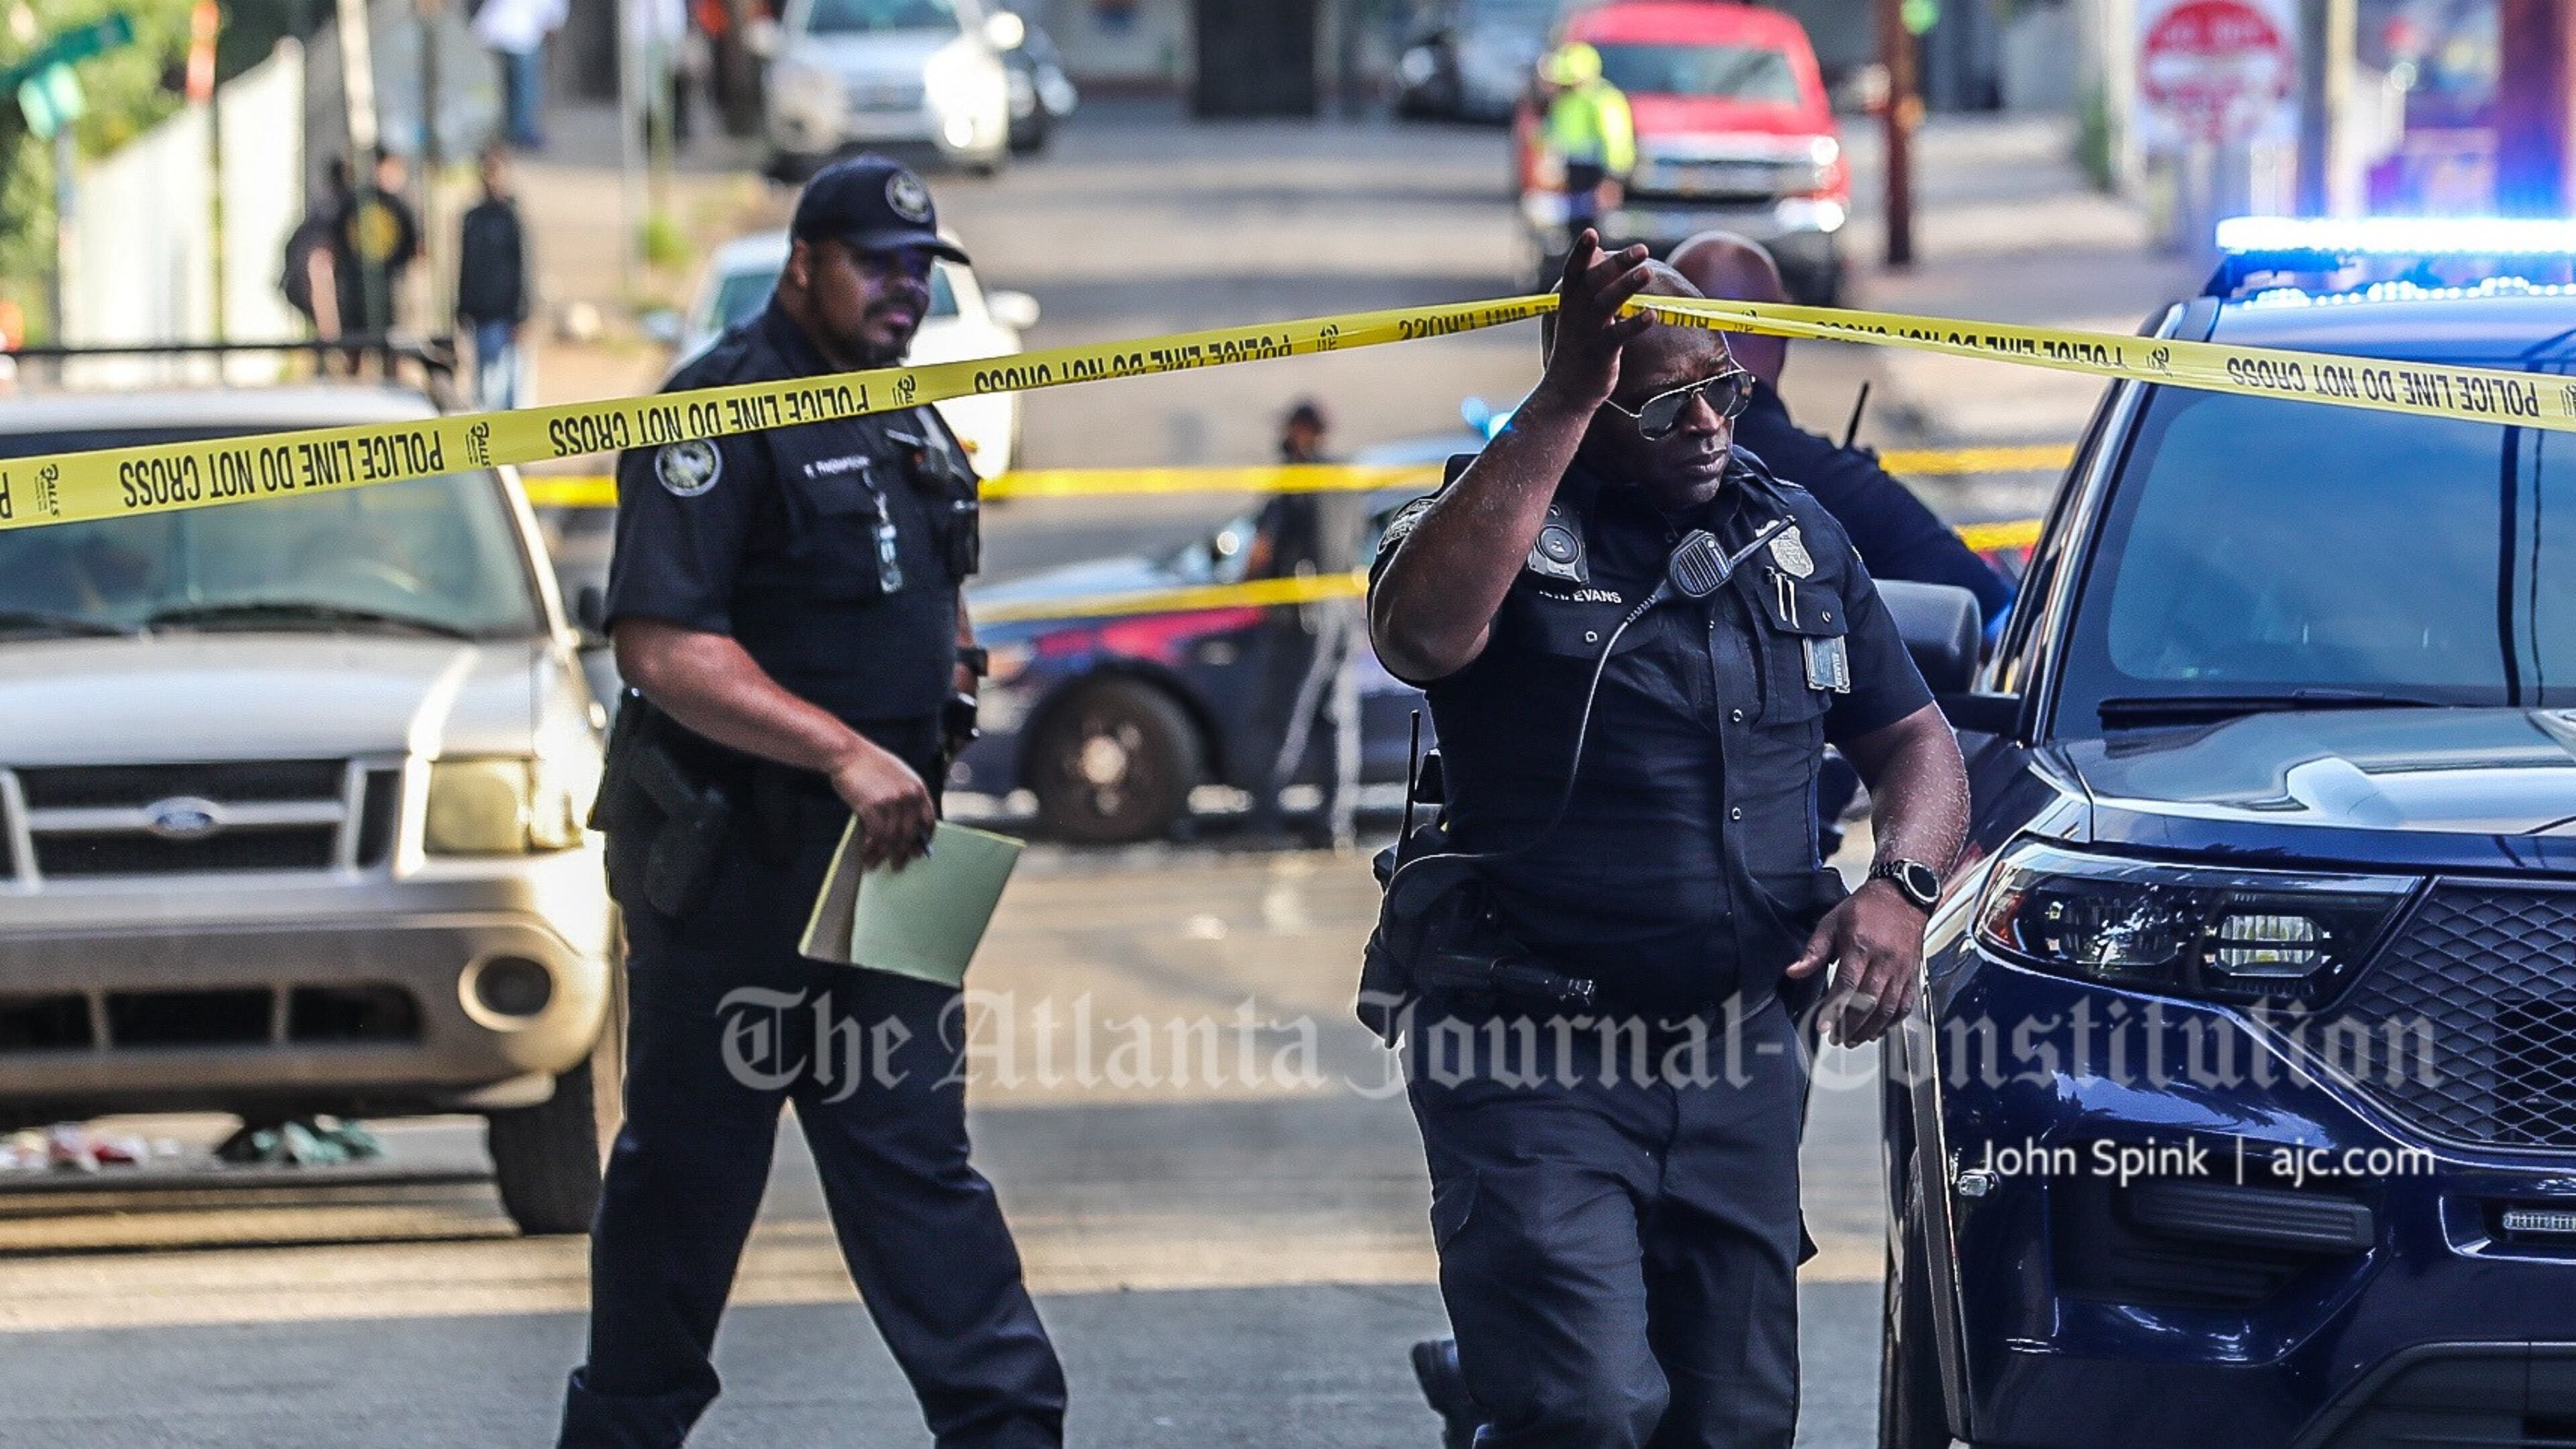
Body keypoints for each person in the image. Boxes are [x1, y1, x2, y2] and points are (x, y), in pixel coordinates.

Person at [1367, 235, 1970, 1449]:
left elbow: (1920, 745)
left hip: (1737, 1054)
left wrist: (1901, 887)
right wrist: (1560, 401)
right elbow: (1421, 637)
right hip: (1531, 1055)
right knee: (1587, 1410)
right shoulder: (1490, 520)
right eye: (1660, 398)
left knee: (1735, 1422)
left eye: (1722, 389)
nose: (1704, 422)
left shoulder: (1793, 536)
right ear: (1590, 398)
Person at [559, 155, 1067, 1448]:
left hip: (896, 855)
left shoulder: (908, 411)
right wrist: (841, 748)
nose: (903, 291)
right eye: (877, 265)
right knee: (689, 1174)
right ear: (805, 264)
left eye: (919, 270)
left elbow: (936, 572)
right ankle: (623, 1430)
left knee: (916, 1153)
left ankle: (1009, 1423)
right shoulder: (714, 411)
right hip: (741, 856)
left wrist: (948, 658)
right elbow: (665, 648)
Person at [1670, 229, 2012, 855]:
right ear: (1780, 333)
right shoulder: (1830, 489)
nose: (1705, 435)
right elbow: (1997, 614)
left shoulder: (1813, 498)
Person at [1239, 399, 1364, 845]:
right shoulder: (1345, 479)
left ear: (1303, 430)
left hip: (1299, 615)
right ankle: (1334, 824)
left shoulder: (1295, 479)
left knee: (1280, 719)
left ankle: (1264, 824)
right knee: (1336, 720)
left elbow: (1262, 548)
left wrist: (1249, 584)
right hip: (1341, 611)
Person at [455, 145, 534, 411]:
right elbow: (465, 266)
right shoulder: (473, 218)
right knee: (485, 389)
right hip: (480, 313)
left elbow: (524, 266)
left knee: (507, 388)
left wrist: (522, 314)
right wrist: (462, 307)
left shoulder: (511, 218)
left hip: (505, 314)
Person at [334, 146, 421, 366]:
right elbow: (339, 242)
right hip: (356, 287)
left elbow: (414, 247)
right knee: (354, 347)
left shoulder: (400, 207)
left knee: (391, 347)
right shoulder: (355, 203)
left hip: (389, 287)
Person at [1538, 43, 1634, 232]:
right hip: (1571, 172)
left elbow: (1616, 142)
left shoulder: (1603, 100)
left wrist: (1612, 178)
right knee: (1573, 232)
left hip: (1596, 174)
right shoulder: (1563, 102)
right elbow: (1550, 136)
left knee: (1594, 233)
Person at [473, 0, 568, 151]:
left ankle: (490, 135)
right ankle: (520, 134)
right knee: (525, 90)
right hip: (521, 38)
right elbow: (552, 25)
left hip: (488, 36)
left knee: (492, 90)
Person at [281, 158, 352, 344]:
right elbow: (319, 268)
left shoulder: (325, 207)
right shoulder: (334, 213)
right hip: (319, 295)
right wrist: (331, 336)